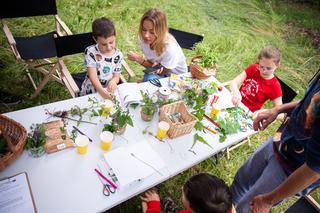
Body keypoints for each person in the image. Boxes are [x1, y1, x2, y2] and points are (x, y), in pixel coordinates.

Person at [231, 71, 320, 213]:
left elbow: (314, 170)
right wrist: (278, 109)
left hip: (292, 168)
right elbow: (310, 102)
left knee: (247, 207)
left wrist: (268, 200)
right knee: (241, 181)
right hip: (281, 140)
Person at [127, 8, 188, 82]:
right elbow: (153, 66)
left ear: (161, 31)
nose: (146, 35)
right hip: (160, 72)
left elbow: (161, 72)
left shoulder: (170, 49)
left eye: (152, 32)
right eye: (144, 29)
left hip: (177, 78)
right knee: (148, 77)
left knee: (148, 77)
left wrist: (139, 59)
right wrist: (153, 66)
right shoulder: (143, 39)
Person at [141, 173, 233, 213]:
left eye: (184, 192)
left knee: (148, 204)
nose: (182, 188)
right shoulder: (222, 207)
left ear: (193, 208)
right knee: (166, 202)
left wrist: (153, 205)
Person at [230, 46, 283, 113]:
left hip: (247, 113)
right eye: (261, 66)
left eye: (269, 68)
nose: (264, 71)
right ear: (259, 61)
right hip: (234, 102)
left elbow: (280, 112)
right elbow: (233, 82)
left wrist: (264, 112)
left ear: (277, 65)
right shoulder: (254, 68)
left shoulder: (274, 85)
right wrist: (236, 93)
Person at [80, 17, 122, 99]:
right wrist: (102, 93)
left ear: (115, 37)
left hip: (109, 90)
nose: (109, 47)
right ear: (95, 39)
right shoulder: (90, 52)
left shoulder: (118, 55)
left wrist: (113, 81)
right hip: (92, 90)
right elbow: (93, 77)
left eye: (111, 42)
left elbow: (116, 76)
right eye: (104, 44)